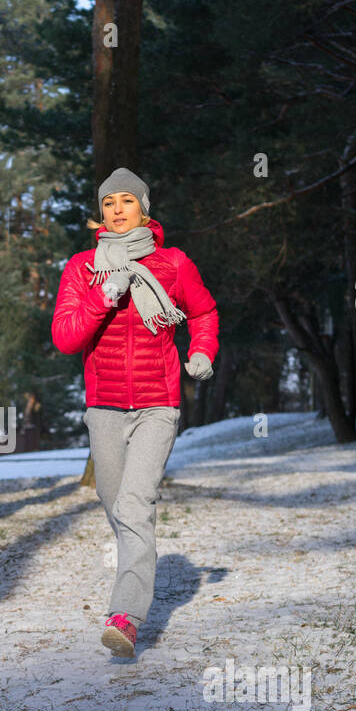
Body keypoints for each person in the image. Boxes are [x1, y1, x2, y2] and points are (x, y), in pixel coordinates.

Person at [51, 167, 220, 658]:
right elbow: (65, 338)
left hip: (157, 404)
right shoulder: (83, 268)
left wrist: (202, 350)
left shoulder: (172, 263)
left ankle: (125, 616)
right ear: (101, 212)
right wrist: (103, 300)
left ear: (143, 209)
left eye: (128, 200)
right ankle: (135, 570)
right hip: (103, 406)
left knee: (133, 505)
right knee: (112, 498)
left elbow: (204, 312)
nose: (118, 209)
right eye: (109, 202)